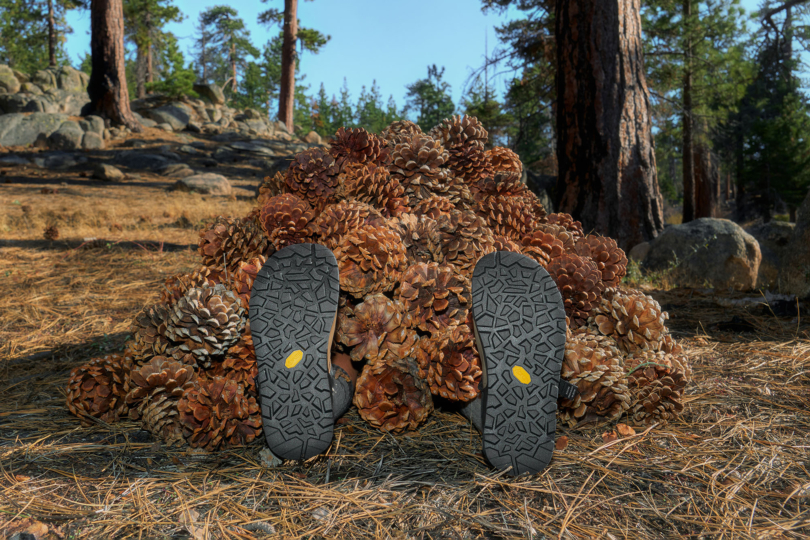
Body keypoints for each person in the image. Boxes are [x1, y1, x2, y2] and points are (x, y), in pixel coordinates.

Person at [249, 244, 571, 475]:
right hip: (460, 370)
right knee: (462, 388)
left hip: (345, 362)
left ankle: (329, 377)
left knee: (346, 362)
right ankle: (496, 392)